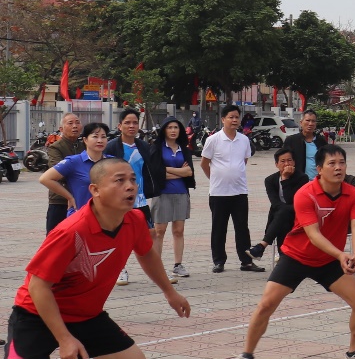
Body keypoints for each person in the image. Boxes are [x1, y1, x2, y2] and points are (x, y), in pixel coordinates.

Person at [0, 157, 192, 359]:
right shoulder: (70, 231)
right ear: (95, 190)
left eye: (133, 179)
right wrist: (64, 339)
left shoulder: (134, 220)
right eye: (119, 180)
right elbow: (38, 287)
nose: (130, 186)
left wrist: (169, 291)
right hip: (36, 315)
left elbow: (146, 254)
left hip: (87, 316)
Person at [222, 145, 355, 359]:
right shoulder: (306, 193)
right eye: (332, 163)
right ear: (319, 169)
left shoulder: (354, 194)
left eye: (342, 163)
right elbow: (313, 235)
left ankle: (353, 354)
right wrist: (341, 255)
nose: (338, 168)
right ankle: (246, 357)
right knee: (266, 304)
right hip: (297, 256)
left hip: (328, 260)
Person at [201, 105, 257, 273]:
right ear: (223, 119)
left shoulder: (244, 140)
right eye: (231, 117)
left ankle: (246, 261)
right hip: (219, 193)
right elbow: (204, 163)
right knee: (219, 228)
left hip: (240, 192)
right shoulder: (213, 140)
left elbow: (244, 161)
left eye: (237, 117)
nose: (234, 120)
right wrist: (215, 178)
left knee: (242, 228)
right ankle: (219, 261)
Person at [106, 109, 166, 235]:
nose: (131, 126)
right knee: (122, 235)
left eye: (135, 123)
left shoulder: (144, 146)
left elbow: (151, 169)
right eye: (127, 123)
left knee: (150, 234)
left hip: (140, 199)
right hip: (119, 200)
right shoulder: (111, 147)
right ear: (120, 126)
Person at [150, 118, 195, 279]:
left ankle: (178, 265)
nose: (173, 130)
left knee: (178, 230)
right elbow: (156, 173)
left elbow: (189, 172)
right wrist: (179, 172)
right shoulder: (157, 148)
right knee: (159, 231)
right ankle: (156, 266)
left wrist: (167, 170)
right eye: (169, 127)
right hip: (162, 194)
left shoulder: (184, 149)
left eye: (176, 127)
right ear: (164, 130)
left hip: (181, 193)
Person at [40, 122, 110, 221]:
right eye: (95, 137)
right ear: (85, 140)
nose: (100, 140)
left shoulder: (112, 162)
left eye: (103, 137)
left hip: (107, 218)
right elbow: (45, 179)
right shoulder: (74, 161)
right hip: (80, 217)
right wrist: (70, 197)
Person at [255, 147, 304, 260]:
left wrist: (285, 179)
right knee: (283, 216)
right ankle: (283, 256)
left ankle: (262, 246)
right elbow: (275, 203)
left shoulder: (302, 178)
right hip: (280, 217)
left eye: (289, 160)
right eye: (283, 161)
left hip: (297, 215)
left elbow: (293, 201)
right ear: (276, 164)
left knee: (283, 213)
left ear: (294, 162)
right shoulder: (270, 180)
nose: (287, 164)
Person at [42, 112, 84, 232]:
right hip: (60, 199)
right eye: (70, 123)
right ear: (61, 129)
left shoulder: (84, 146)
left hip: (82, 198)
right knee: (55, 236)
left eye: (77, 123)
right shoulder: (56, 147)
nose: (75, 126)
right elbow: (58, 172)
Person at [281, 109, 328, 184]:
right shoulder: (291, 140)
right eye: (307, 120)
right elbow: (283, 159)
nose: (310, 124)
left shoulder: (321, 141)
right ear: (301, 122)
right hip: (298, 181)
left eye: (313, 121)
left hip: (319, 182)